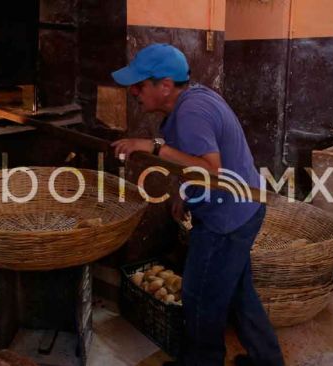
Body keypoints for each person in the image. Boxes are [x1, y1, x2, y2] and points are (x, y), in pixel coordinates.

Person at [110, 43, 284, 366]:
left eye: (139, 85)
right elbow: (191, 161)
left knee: (200, 296)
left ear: (164, 87)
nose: (134, 92)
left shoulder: (190, 112)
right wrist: (183, 191)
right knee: (237, 292)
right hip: (244, 208)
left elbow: (210, 169)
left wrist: (152, 146)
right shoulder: (193, 99)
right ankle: (268, 361)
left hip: (226, 219)